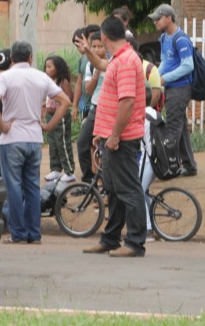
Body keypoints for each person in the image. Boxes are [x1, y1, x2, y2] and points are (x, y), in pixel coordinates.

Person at [76, 16, 147, 257]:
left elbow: (127, 102)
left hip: (122, 139)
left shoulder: (126, 61)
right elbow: (102, 65)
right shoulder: (119, 58)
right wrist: (88, 51)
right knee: (114, 190)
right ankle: (111, 239)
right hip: (112, 137)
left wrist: (115, 135)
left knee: (128, 189)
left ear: (104, 37)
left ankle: (135, 243)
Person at [0, 41, 71, 245]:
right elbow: (65, 101)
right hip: (34, 138)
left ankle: (18, 233)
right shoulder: (41, 77)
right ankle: (34, 234)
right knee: (32, 186)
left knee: (14, 187)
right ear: (31, 58)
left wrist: (3, 126)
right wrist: (50, 125)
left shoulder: (5, 77)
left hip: (12, 139)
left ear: (13, 59)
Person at [148, 3, 197, 176]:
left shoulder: (180, 38)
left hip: (180, 89)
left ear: (169, 18)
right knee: (180, 128)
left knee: (172, 131)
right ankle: (189, 166)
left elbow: (188, 65)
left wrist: (163, 78)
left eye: (158, 18)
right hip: (171, 88)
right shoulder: (164, 38)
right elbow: (165, 63)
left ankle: (171, 167)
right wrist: (154, 77)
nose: (155, 22)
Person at [75, 31, 107, 181]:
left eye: (100, 46)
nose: (96, 50)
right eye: (93, 46)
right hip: (96, 108)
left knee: (105, 148)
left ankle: (106, 183)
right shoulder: (90, 64)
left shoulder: (113, 61)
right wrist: (96, 72)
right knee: (82, 142)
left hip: (109, 110)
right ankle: (89, 180)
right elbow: (88, 89)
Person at [43, 55, 76, 183]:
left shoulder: (63, 82)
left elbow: (69, 98)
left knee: (62, 142)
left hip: (61, 116)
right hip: (50, 115)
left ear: (58, 68)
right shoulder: (48, 81)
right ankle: (55, 169)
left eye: (50, 67)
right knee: (52, 143)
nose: (47, 69)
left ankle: (69, 170)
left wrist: (56, 97)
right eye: (46, 67)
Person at [139, 88, 158, 242]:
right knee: (143, 191)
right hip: (158, 161)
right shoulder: (155, 113)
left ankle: (148, 229)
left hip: (147, 161)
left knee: (138, 191)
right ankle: (152, 219)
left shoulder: (139, 117)